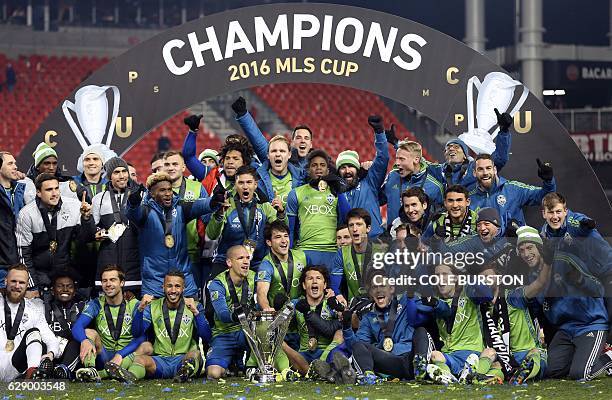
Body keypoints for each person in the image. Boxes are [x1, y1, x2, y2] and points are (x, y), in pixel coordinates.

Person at [515, 228, 612, 381]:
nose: (526, 254)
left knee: (581, 374)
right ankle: (581, 356)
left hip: (590, 324)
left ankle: (609, 356)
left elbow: (599, 289)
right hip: (565, 330)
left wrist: (580, 280)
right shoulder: (532, 275)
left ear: (540, 247)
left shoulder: (564, 259)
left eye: (529, 248)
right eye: (521, 250)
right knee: (549, 371)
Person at [126, 172, 223, 299]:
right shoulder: (145, 212)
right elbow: (132, 212)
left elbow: (203, 205)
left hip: (183, 280)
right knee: (153, 318)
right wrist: (133, 202)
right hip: (154, 282)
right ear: (152, 194)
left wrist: (216, 199)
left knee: (192, 315)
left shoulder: (181, 208)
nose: (167, 193)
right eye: (162, 190)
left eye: (169, 189)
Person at [539, 192, 612, 338]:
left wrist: (587, 224)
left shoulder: (574, 220)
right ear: (544, 213)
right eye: (551, 212)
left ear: (565, 211)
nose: (555, 216)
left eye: (559, 211)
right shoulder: (544, 233)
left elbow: (582, 223)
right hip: (586, 276)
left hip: (606, 269)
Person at [341, 270, 432, 384]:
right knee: (359, 346)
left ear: (391, 289)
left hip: (411, 357)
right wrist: (346, 327)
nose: (379, 290)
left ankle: (421, 366)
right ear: (371, 293)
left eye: (382, 285)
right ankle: (369, 376)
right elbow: (357, 347)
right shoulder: (368, 317)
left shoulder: (405, 300)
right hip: (390, 362)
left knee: (422, 331)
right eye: (375, 287)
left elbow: (428, 309)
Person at [16, 173, 95, 295]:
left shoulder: (74, 206)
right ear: (38, 192)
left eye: (56, 188)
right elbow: (23, 253)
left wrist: (86, 218)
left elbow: (87, 239)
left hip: (69, 275)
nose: (54, 193)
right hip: (41, 275)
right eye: (49, 190)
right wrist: (32, 286)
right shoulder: (27, 214)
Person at [128, 271, 212, 382]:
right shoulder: (152, 306)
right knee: (139, 359)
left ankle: (183, 374)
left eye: (177, 286)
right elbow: (136, 333)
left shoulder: (194, 305)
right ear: (163, 287)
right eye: (169, 286)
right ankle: (129, 377)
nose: (173, 290)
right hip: (160, 361)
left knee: (195, 354)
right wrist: (140, 310)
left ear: (183, 288)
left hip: (184, 359)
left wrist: (196, 312)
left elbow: (207, 336)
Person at [207, 165, 286, 277]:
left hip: (256, 262)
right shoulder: (226, 204)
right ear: (235, 185)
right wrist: (219, 214)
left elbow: (281, 232)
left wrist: (281, 213)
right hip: (227, 261)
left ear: (255, 184)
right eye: (241, 183)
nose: (245, 187)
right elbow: (211, 235)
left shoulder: (264, 206)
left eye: (249, 182)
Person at [281, 265, 353, 383]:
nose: (314, 281)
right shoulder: (295, 304)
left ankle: (322, 366)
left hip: (327, 353)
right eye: (310, 278)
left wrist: (340, 309)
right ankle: (316, 371)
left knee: (340, 333)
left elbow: (345, 321)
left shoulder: (331, 304)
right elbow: (279, 321)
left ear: (324, 285)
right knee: (279, 341)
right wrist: (280, 310)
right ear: (304, 285)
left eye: (318, 278)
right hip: (303, 356)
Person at [71, 265, 143, 383]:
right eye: (104, 281)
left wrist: (120, 354)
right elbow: (77, 326)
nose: (108, 284)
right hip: (103, 355)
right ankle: (90, 370)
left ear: (122, 283)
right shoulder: (96, 304)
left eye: (112, 280)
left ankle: (103, 374)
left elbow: (141, 336)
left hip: (125, 357)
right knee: (89, 332)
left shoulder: (134, 304)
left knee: (146, 346)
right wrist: (84, 340)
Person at [420, 263, 486, 384]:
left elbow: (487, 294)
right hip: (449, 355)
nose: (440, 278)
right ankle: (448, 377)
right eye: (437, 275)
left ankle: (470, 374)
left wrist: (468, 275)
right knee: (435, 355)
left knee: (488, 355)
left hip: (472, 353)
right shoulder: (435, 301)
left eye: (445, 274)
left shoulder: (468, 293)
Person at [232, 98, 304, 206]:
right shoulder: (258, 178)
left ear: (289, 154)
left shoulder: (301, 177)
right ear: (268, 155)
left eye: (282, 151)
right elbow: (259, 143)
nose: (278, 154)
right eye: (274, 151)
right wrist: (243, 115)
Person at [286, 150, 350, 270]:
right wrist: (289, 253)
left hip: (331, 251)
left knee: (331, 288)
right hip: (305, 250)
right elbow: (290, 228)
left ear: (328, 170)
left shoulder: (336, 193)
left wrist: (339, 190)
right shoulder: (296, 193)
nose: (318, 168)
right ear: (308, 170)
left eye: (322, 165)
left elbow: (347, 218)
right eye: (314, 165)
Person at [427, 109, 513, 190]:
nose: (451, 149)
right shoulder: (438, 171)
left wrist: (504, 131)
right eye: (448, 148)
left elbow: (500, 158)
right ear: (445, 155)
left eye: (456, 147)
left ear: (465, 155)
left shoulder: (476, 166)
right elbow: (417, 163)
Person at [0, 264, 59, 381]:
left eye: (21, 283)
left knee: (34, 333)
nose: (17, 286)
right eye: (13, 281)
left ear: (27, 285)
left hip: (16, 368)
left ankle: (32, 374)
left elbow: (51, 340)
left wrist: (50, 354)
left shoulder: (34, 310)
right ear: (6, 281)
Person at [92, 157, 141, 295]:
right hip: (108, 261)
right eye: (116, 172)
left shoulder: (139, 196)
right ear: (109, 176)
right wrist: (97, 232)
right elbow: (94, 227)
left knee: (133, 309)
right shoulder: (99, 199)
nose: (121, 176)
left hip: (134, 263)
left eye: (124, 171)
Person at [335, 115, 390, 238]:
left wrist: (379, 133)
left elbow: (383, 159)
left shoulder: (369, 182)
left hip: (375, 241)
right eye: (343, 168)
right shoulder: (334, 191)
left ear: (357, 168)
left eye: (351, 166)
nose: (347, 170)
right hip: (348, 245)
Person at [206, 245, 256, 379]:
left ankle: (248, 363)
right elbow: (222, 314)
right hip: (224, 334)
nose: (246, 262)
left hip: (245, 333)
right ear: (229, 263)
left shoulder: (254, 278)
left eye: (247, 258)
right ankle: (233, 361)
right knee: (213, 374)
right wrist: (238, 314)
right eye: (240, 258)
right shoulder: (217, 284)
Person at [469, 154, 556, 228]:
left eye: (488, 168)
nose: (485, 172)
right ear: (474, 173)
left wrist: (548, 181)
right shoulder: (469, 200)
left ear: (494, 170)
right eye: (480, 169)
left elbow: (545, 197)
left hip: (518, 245)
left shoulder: (513, 188)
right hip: (487, 247)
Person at [162, 150, 209, 282]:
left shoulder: (197, 188)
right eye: (167, 164)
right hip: (164, 256)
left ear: (183, 167)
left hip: (192, 256)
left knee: (192, 300)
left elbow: (207, 221)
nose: (170, 168)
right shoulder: (156, 190)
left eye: (175, 164)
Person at [232, 96, 313, 170]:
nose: (303, 141)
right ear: (292, 143)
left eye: (306, 138)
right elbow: (260, 144)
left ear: (311, 144)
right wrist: (244, 116)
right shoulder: (279, 159)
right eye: (298, 138)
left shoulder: (318, 165)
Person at [380, 141, 444, 227]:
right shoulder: (392, 176)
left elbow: (441, 216)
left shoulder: (434, 187)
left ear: (416, 159)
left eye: (402, 159)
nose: (397, 163)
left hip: (420, 238)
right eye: (397, 158)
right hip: (392, 237)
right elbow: (377, 199)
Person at [43, 269, 87, 379]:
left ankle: (63, 370)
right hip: (49, 354)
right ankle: (44, 370)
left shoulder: (82, 308)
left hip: (71, 355)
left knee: (79, 341)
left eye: (69, 286)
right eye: (60, 286)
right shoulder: (44, 307)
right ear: (53, 290)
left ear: (75, 291)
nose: (65, 289)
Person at [330, 208, 377, 305]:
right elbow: (334, 285)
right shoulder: (341, 253)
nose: (355, 229)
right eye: (351, 225)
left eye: (359, 224)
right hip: (355, 307)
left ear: (368, 228)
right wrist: (338, 295)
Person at [0, 152, 26, 284]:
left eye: (15, 163)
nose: (15, 166)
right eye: (10, 163)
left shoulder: (22, 190)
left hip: (20, 265)